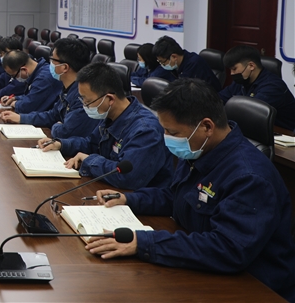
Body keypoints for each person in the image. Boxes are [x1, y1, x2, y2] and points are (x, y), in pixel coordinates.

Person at [85, 79, 295, 302]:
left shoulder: (250, 178)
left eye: (173, 132)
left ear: (207, 127)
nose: (167, 138)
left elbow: (227, 249)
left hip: (255, 287)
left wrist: (143, 243)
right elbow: (178, 196)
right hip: (207, 269)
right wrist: (130, 199)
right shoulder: (200, 149)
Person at [37, 62, 173, 190]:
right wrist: (61, 144)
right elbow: (91, 143)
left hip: (137, 201)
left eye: (88, 101)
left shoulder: (145, 130)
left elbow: (126, 176)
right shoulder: (111, 114)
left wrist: (89, 160)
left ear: (110, 99)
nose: (84, 105)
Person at [0, 38, 93, 139]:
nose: (50, 63)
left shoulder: (83, 97)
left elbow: (64, 133)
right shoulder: (67, 88)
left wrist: (56, 126)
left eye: (53, 60)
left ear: (64, 67)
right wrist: (21, 118)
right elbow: (52, 116)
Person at [218, 45, 295, 131]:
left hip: (282, 133)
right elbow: (219, 99)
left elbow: (250, 113)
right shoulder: (242, 81)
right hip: (256, 129)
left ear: (251, 66)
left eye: (234, 69)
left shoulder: (273, 86)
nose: (232, 73)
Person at [152, 36, 220, 91]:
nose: (162, 65)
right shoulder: (175, 65)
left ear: (174, 57)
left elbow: (183, 91)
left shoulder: (193, 64)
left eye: (163, 62)